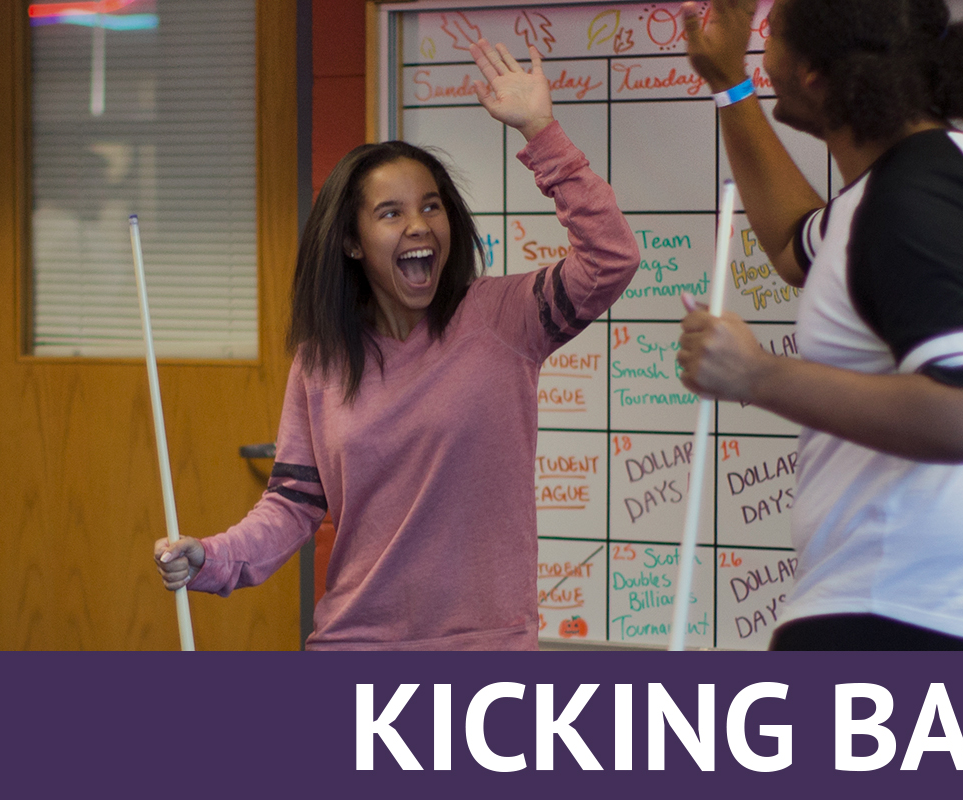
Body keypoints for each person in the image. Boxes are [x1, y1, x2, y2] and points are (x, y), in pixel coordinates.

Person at [671, 0, 963, 649]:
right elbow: (788, 244)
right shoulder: (894, 185)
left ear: (813, 72)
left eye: (770, 37)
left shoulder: (916, 194)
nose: (762, 52)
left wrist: (757, 374)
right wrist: (728, 84)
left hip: (939, 617)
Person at [150, 41, 639, 649]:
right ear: (353, 243)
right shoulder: (322, 359)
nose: (418, 225)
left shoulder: (502, 318)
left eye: (431, 206)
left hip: (485, 652)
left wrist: (541, 131)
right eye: (390, 213)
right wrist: (210, 557)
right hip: (354, 645)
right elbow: (293, 506)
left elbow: (610, 257)